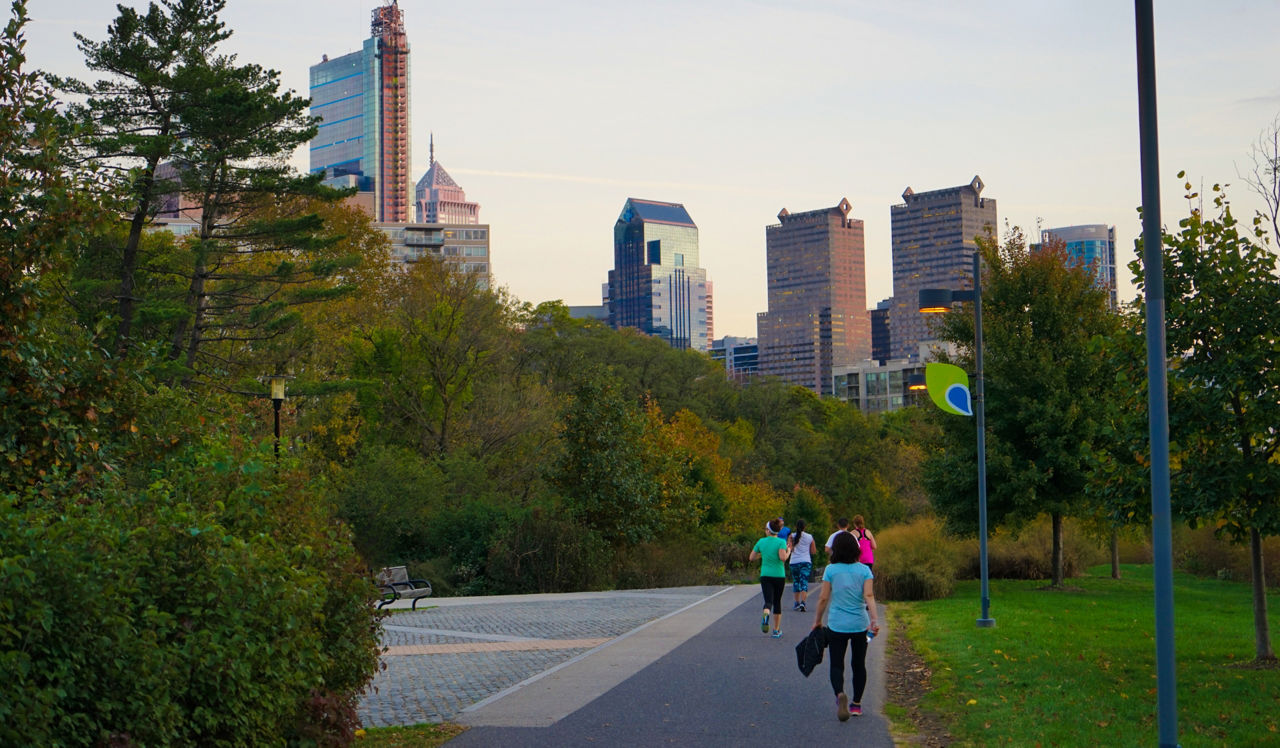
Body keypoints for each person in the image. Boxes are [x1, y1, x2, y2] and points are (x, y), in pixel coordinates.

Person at [812, 532, 879, 722]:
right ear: (856, 549)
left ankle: (840, 694)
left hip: (836, 624)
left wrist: (817, 620)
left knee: (836, 664)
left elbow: (823, 598)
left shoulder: (831, 570)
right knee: (859, 664)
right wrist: (874, 620)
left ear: (836, 549)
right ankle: (856, 704)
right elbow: (869, 596)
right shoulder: (864, 571)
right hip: (860, 624)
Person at [749, 518, 791, 638]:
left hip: (765, 575)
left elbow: (751, 557)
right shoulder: (781, 542)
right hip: (778, 575)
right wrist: (788, 551)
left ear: (768, 530)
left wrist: (763, 554)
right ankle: (776, 630)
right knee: (777, 602)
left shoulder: (761, 541)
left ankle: (766, 614)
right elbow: (783, 558)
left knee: (768, 601)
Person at [788, 519, 817, 612]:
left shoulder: (791, 536)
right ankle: (803, 603)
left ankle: (796, 603)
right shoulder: (810, 537)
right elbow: (813, 551)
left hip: (794, 562)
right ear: (805, 527)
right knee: (804, 582)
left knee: (796, 582)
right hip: (805, 561)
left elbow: (790, 549)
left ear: (796, 527)